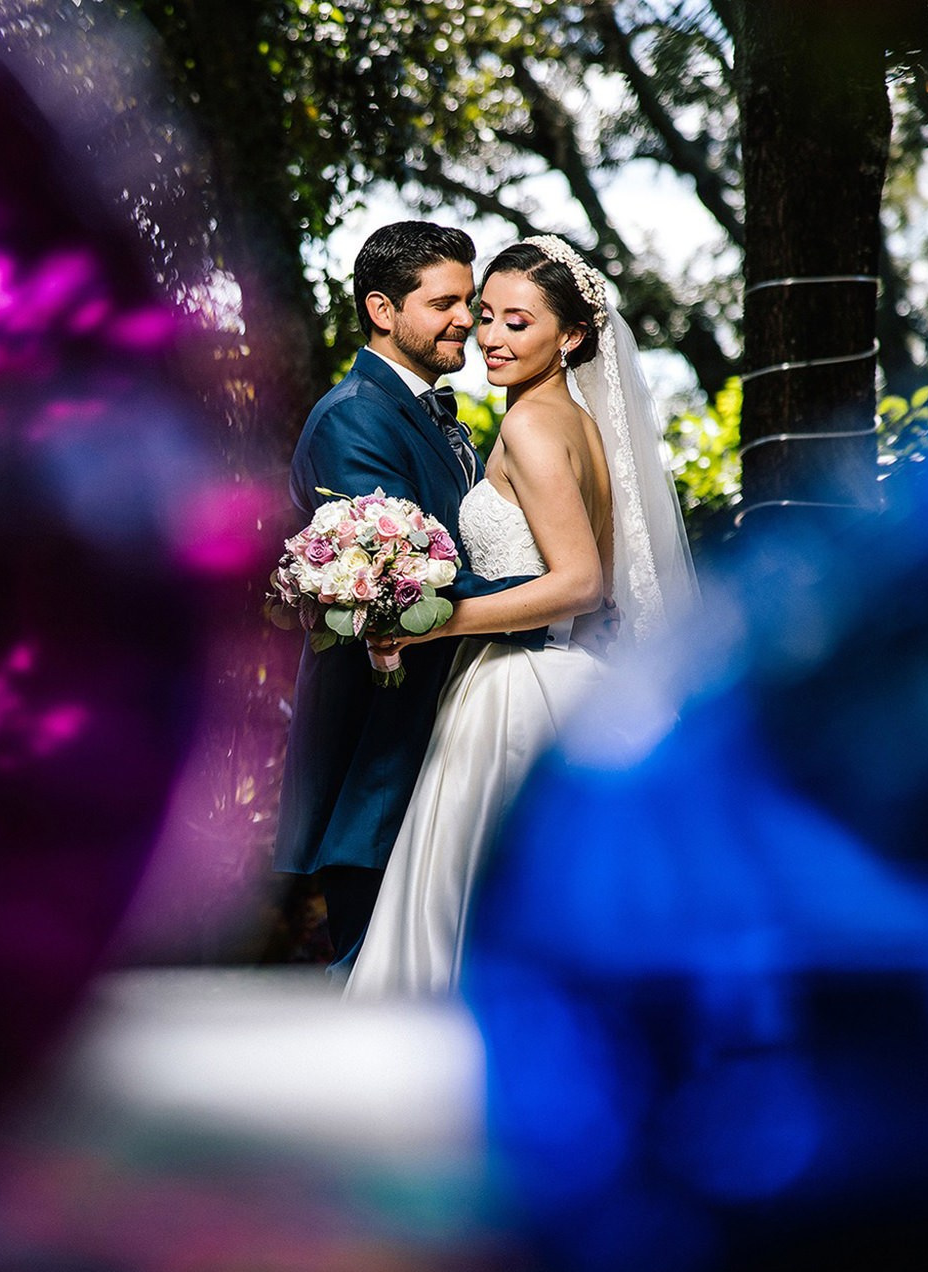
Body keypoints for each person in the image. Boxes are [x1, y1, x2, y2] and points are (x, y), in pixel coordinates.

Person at [345, 235, 699, 997]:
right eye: (487, 317)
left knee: (472, 916)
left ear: (570, 336)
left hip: (519, 687)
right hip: (570, 676)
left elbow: (581, 583)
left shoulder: (532, 426)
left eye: (519, 322)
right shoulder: (579, 424)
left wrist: (434, 620)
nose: (492, 338)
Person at [273, 222, 577, 972]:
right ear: (382, 310)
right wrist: (560, 598)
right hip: (381, 752)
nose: (468, 321)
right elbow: (405, 581)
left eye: (470, 301)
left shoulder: (442, 417)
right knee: (379, 986)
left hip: (456, 733)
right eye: (446, 303)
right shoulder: (355, 416)